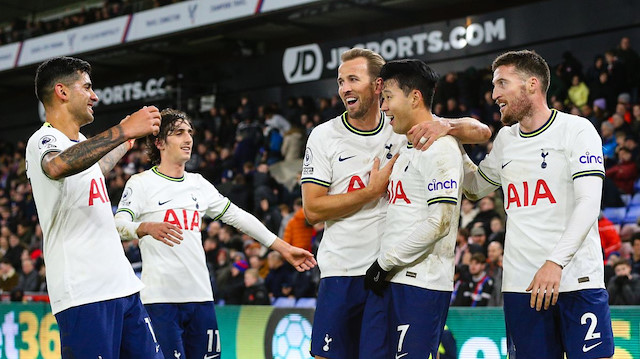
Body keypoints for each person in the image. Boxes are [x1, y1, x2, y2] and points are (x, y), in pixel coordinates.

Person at [301, 48, 490, 359]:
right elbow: (312, 210)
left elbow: (482, 132)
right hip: (343, 269)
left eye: (353, 79)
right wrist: (369, 192)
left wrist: (447, 126)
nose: (344, 88)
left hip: (391, 273)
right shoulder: (324, 137)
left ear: (378, 86)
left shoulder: (405, 125)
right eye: (340, 81)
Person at [114, 109, 316, 359]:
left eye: (190, 132)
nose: (188, 138)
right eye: (178, 133)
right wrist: (143, 228)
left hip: (201, 299)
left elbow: (240, 217)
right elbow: (118, 224)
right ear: (159, 142)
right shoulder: (141, 183)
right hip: (160, 301)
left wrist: (283, 248)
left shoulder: (198, 183)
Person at [460, 50, 614, 358]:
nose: (494, 95)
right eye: (493, 86)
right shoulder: (505, 139)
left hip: (575, 277)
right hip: (522, 285)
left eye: (502, 84)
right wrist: (452, 142)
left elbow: (588, 204)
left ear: (532, 84)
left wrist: (555, 262)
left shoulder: (577, 130)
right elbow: (475, 189)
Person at [25, 56, 164, 358]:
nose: (94, 96)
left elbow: (95, 168)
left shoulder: (83, 143)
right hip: (84, 292)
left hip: (123, 287)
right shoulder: (42, 140)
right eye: (86, 87)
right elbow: (58, 165)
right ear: (62, 92)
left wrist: (126, 143)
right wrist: (123, 130)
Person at [362, 58, 463, 358]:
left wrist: (384, 263)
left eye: (388, 98)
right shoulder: (407, 148)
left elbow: (440, 222)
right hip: (391, 281)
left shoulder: (441, 147)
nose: (383, 107)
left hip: (421, 284)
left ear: (415, 97)